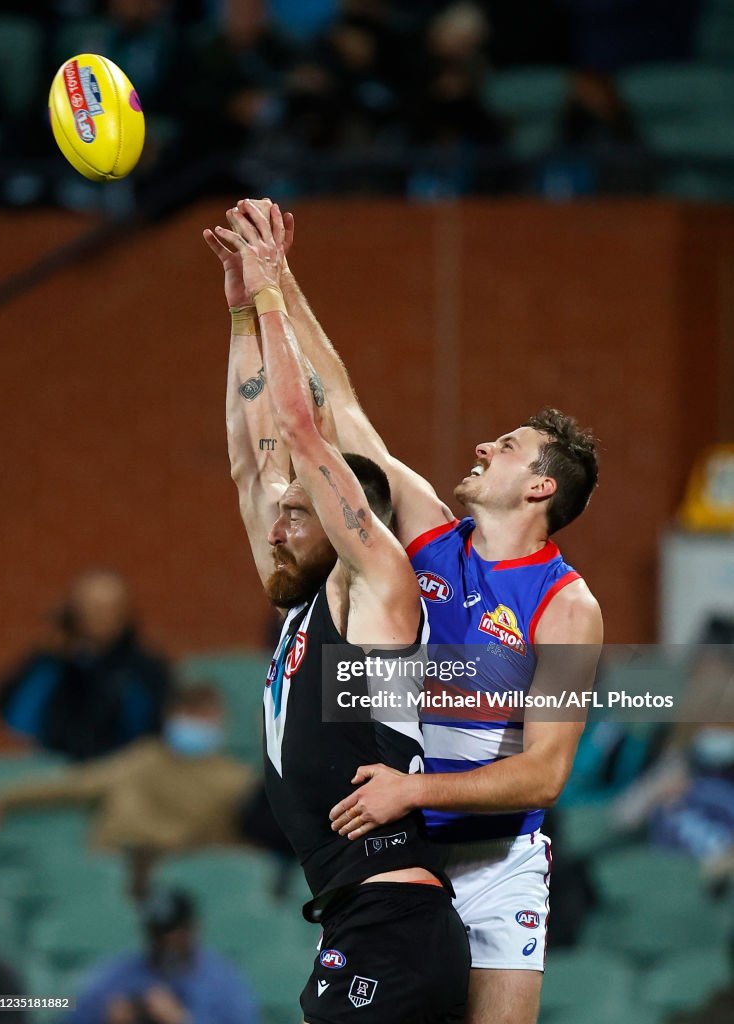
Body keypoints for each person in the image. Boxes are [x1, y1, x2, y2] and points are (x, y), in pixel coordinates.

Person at [217, 198, 602, 1024]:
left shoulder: (569, 608)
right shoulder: (431, 533)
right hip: (399, 844)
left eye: (506, 447)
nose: (482, 448)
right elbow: (340, 411)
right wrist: (278, 277)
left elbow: (547, 772)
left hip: (492, 859)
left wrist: (413, 787)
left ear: (541, 487)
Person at [204, 203, 470, 1022]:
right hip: (359, 920)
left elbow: (304, 427)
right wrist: (242, 310)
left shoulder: (378, 588)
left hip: (394, 917)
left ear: (353, 518)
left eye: (302, 508)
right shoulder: (304, 598)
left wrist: (275, 298)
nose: (277, 518)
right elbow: (253, 457)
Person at [0, 683, 254, 899]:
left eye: (206, 715)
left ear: (221, 722)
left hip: (185, 875)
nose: (198, 723)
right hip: (113, 870)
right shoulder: (141, 759)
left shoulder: (237, 781)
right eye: (190, 712)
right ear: (170, 716)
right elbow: (75, 784)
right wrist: (8, 796)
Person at [0, 568, 171, 761]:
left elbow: (153, 729)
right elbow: (16, 719)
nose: (102, 616)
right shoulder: (52, 664)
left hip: (122, 767)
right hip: (56, 764)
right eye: (93, 607)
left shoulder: (146, 669)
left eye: (111, 608)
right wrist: (50, 658)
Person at [69, 887, 261, 1024]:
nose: (164, 944)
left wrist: (181, 1020)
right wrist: (104, 1018)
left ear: (193, 930)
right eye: (156, 935)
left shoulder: (223, 979)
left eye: (172, 935)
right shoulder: (120, 972)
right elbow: (67, 1011)